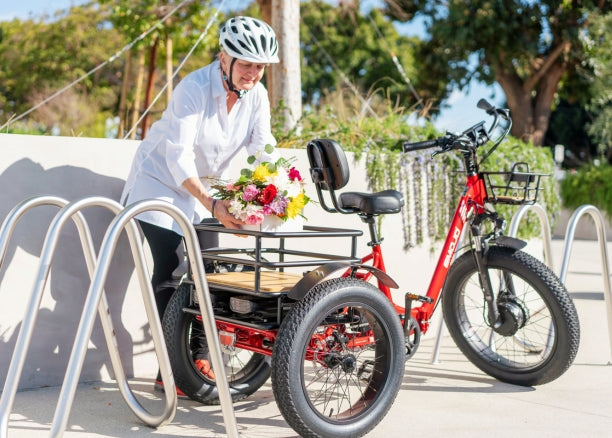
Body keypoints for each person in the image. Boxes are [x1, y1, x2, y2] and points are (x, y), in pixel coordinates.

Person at [120, 16, 280, 394]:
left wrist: (272, 192)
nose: (254, 74)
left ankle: (200, 355)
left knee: (211, 269)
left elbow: (263, 149)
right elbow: (178, 157)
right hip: (158, 182)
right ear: (224, 58)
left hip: (207, 190)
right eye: (246, 64)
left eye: (260, 67)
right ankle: (168, 369)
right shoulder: (192, 88)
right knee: (174, 266)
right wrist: (212, 203)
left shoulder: (256, 95)